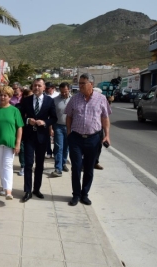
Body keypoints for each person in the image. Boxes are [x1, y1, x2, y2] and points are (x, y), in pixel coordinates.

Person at [64, 73, 111, 206]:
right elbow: (69, 116)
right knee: (76, 167)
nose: (80, 86)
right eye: (79, 83)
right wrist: (69, 133)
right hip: (76, 138)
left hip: (93, 139)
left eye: (82, 83)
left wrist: (107, 135)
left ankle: (85, 194)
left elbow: (105, 118)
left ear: (91, 84)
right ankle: (76, 195)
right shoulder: (74, 99)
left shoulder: (101, 99)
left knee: (89, 168)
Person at [19, 78, 57, 202]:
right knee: (28, 164)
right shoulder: (26, 100)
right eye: (34, 85)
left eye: (39, 86)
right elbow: (19, 116)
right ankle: (28, 191)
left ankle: (37, 189)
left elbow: (54, 118)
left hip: (42, 137)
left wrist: (45, 122)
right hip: (29, 136)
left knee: (39, 165)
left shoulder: (49, 101)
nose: (36, 88)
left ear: (44, 87)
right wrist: (27, 121)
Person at [0, 86, 24, 200]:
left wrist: (18, 143)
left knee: (7, 165)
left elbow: (19, 128)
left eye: (5, 95)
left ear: (10, 97)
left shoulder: (15, 110)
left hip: (10, 142)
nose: (2, 97)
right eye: (1, 95)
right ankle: (3, 187)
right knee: (1, 165)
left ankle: (8, 190)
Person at [51, 82, 71, 177]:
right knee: (59, 147)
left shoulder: (73, 100)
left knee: (66, 147)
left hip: (70, 127)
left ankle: (63, 163)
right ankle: (58, 168)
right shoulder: (55, 100)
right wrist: (51, 128)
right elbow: (51, 115)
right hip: (58, 126)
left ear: (69, 90)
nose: (63, 94)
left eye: (65, 92)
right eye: (62, 92)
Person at [15, 89, 33, 176]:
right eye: (28, 96)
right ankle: (23, 166)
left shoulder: (34, 106)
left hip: (31, 131)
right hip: (21, 130)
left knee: (29, 149)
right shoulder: (18, 106)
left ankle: (29, 165)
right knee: (21, 149)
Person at [44, 82, 59, 159]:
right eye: (45, 88)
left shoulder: (57, 95)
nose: (46, 90)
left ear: (53, 88)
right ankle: (48, 151)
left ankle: (56, 152)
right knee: (47, 136)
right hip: (47, 118)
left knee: (56, 136)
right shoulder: (44, 96)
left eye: (48, 88)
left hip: (56, 118)